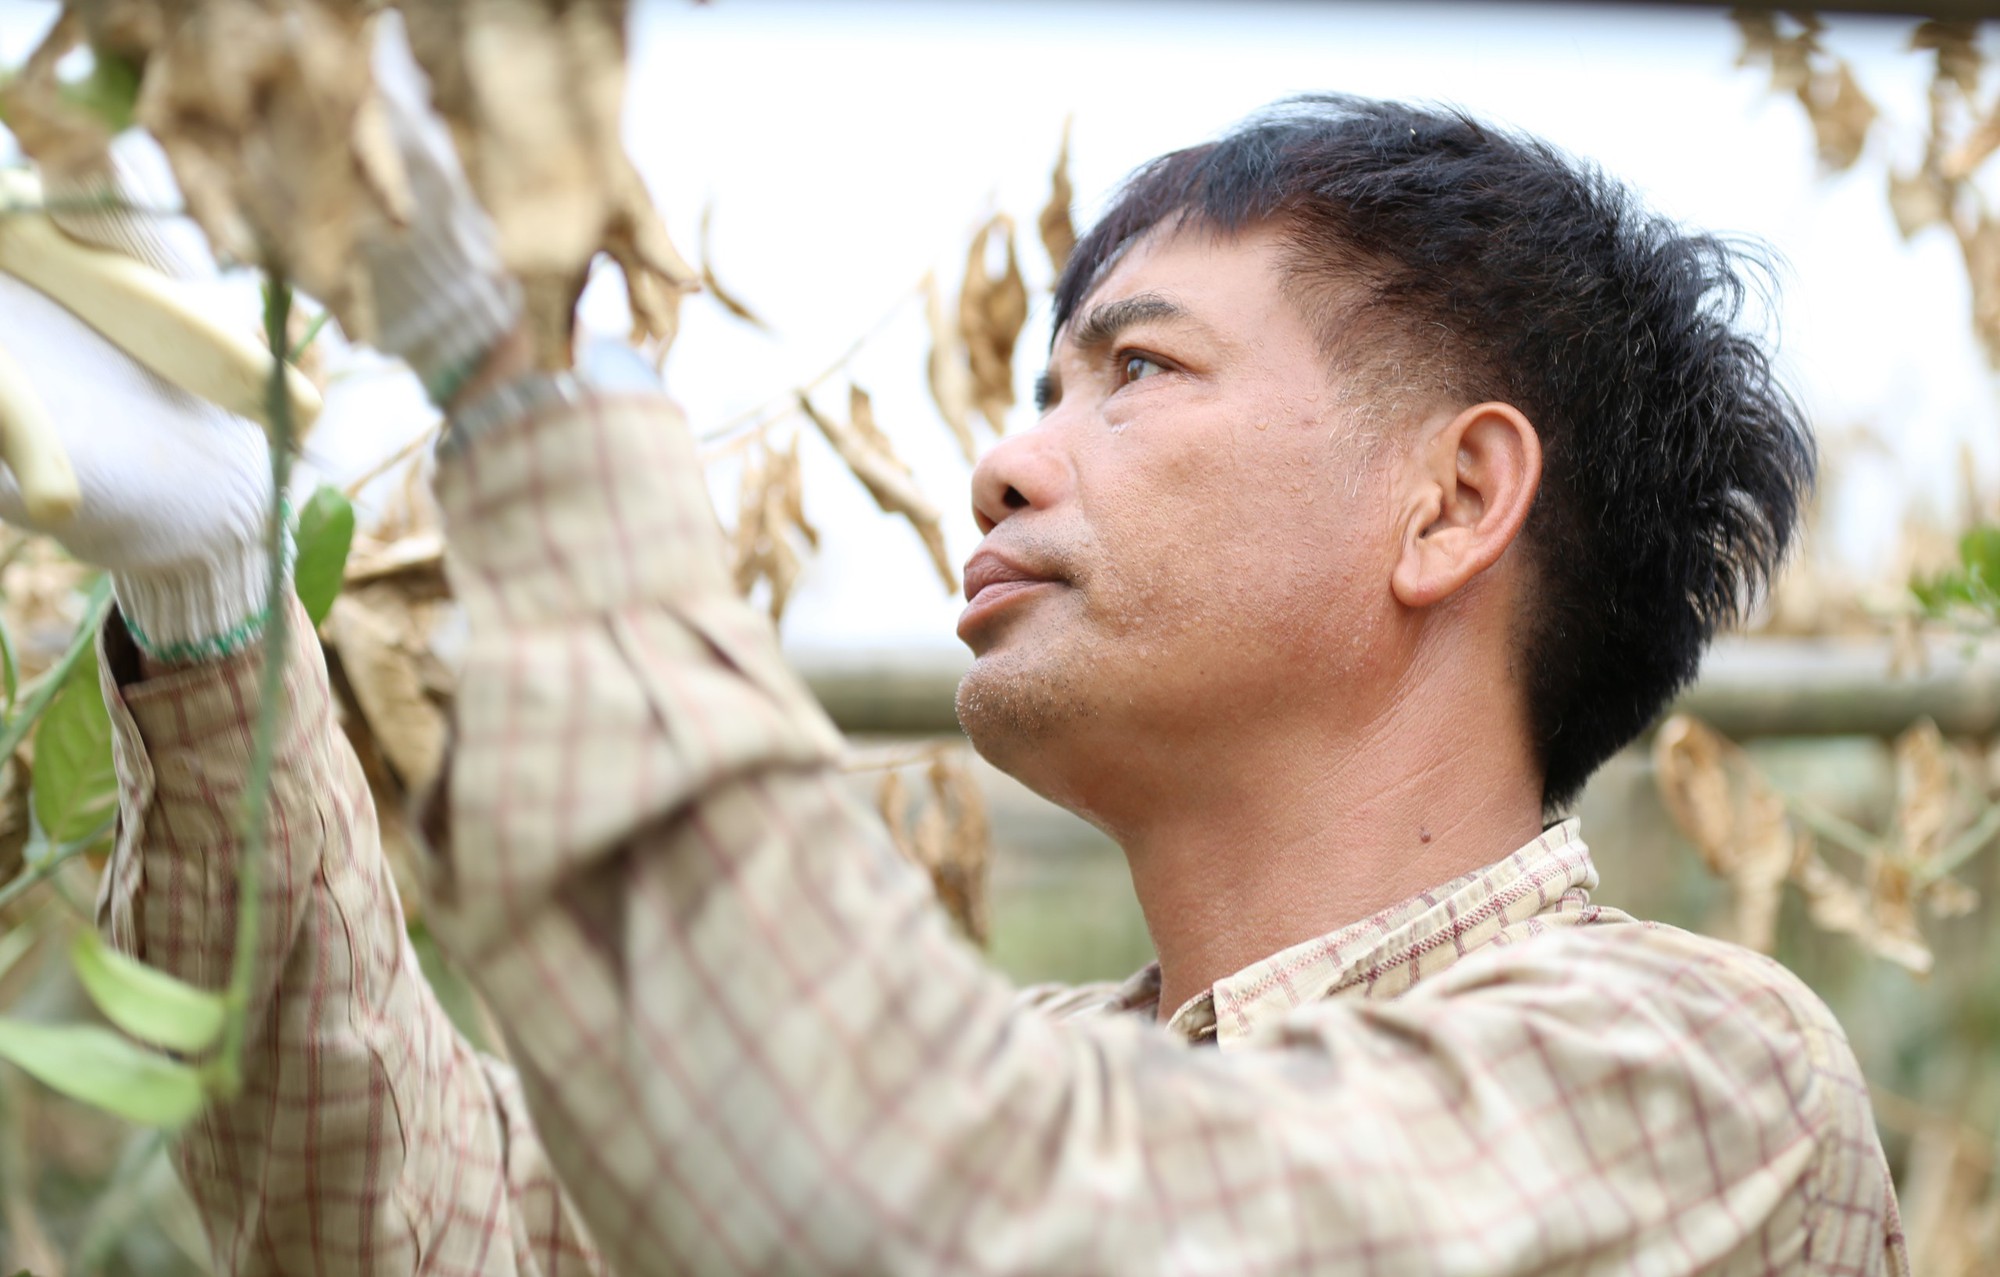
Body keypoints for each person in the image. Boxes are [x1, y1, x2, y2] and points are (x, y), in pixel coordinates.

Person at [0, 17, 1906, 1276]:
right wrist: (221, 609)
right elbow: (420, 1227)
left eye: (1138, 372)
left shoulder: (1695, 1080)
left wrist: (523, 374)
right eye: (1038, 384)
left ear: (1452, 501)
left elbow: (944, 1204)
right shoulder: (1057, 1061)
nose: (1000, 460)